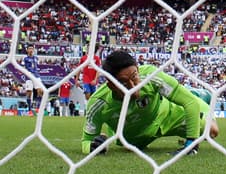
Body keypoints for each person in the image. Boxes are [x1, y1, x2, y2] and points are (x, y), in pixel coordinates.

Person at [82, 50, 218, 155]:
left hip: (168, 116)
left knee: (212, 131)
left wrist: (191, 144)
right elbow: (86, 140)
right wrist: (93, 146)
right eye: (124, 82)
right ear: (111, 85)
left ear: (138, 69)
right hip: (135, 138)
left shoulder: (151, 76)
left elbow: (190, 102)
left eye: (134, 76)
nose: (132, 85)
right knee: (130, 148)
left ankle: (198, 93)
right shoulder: (98, 103)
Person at [22, 44, 45, 109]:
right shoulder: (25, 58)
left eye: (32, 49)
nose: (31, 50)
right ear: (27, 50)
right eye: (29, 49)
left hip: (36, 76)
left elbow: (36, 66)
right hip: (29, 76)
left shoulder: (36, 58)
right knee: (29, 92)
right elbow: (23, 66)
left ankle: (38, 107)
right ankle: (29, 109)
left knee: (40, 91)